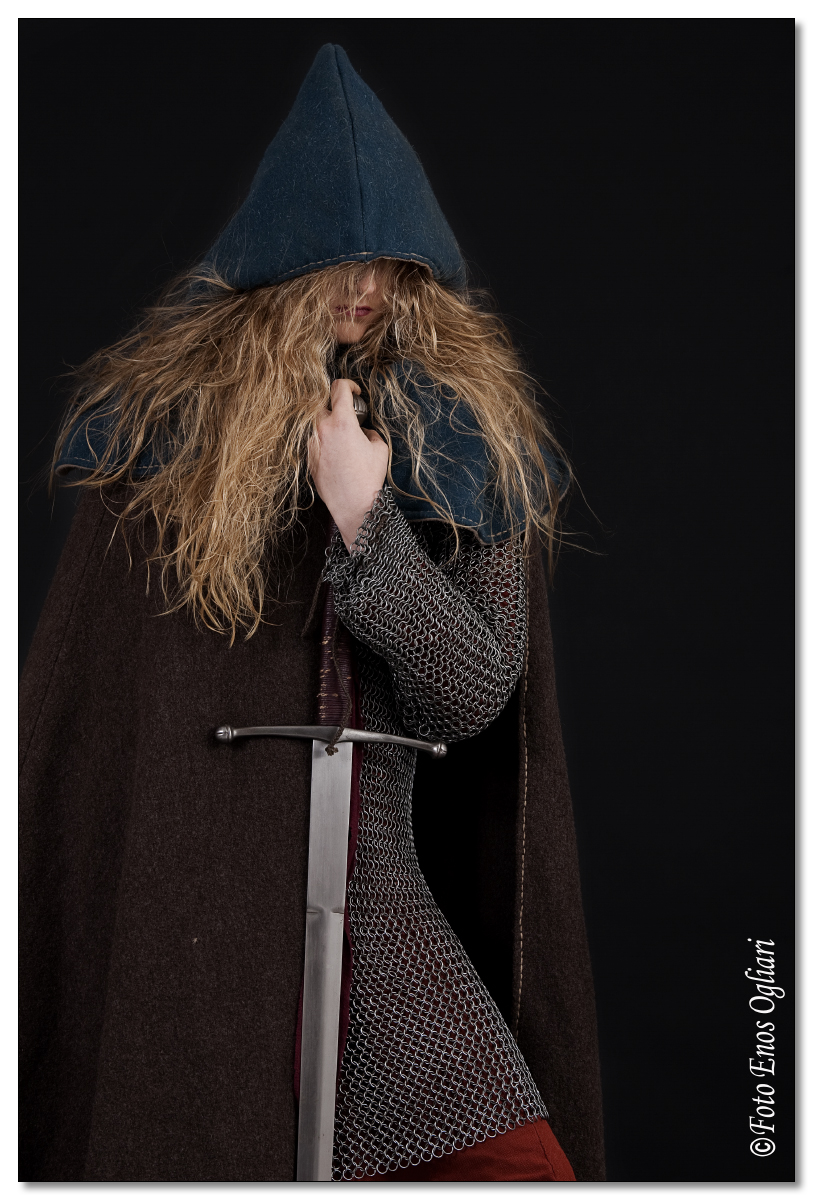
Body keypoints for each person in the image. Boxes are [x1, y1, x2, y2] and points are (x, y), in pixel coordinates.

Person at [19, 45, 605, 1182]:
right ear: (285, 257)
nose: (366, 287)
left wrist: (366, 518)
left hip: (371, 907)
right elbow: (92, 720)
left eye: (390, 261)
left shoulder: (460, 436)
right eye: (342, 257)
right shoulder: (165, 437)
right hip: (196, 922)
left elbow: (472, 694)